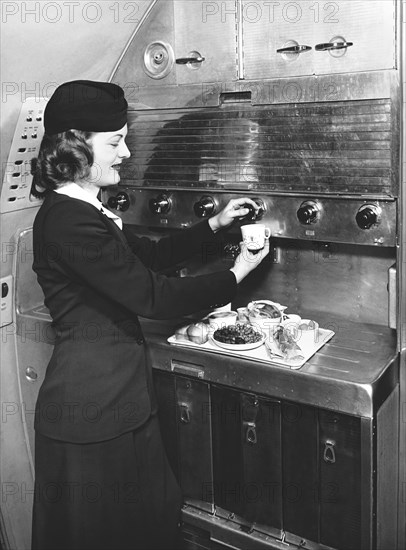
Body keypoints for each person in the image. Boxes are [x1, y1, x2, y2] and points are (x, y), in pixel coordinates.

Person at [30, 80, 269, 550]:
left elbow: (152, 257)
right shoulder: (66, 221)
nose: (126, 153)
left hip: (121, 401)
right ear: (75, 146)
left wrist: (217, 225)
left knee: (148, 522)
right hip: (90, 412)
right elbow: (153, 297)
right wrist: (237, 273)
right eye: (116, 142)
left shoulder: (85, 211)